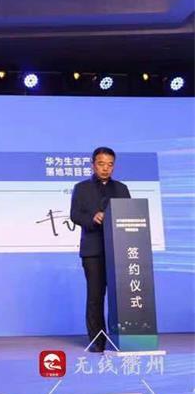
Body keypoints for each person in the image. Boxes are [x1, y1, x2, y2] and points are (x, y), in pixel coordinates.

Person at [70, 146, 130, 353]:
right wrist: (92, 218)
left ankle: (122, 337)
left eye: (110, 164)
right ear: (93, 165)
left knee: (121, 296)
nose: (105, 168)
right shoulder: (81, 188)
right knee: (95, 296)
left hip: (119, 250)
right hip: (93, 251)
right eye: (101, 164)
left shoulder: (122, 189)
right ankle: (97, 340)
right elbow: (75, 215)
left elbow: (129, 215)